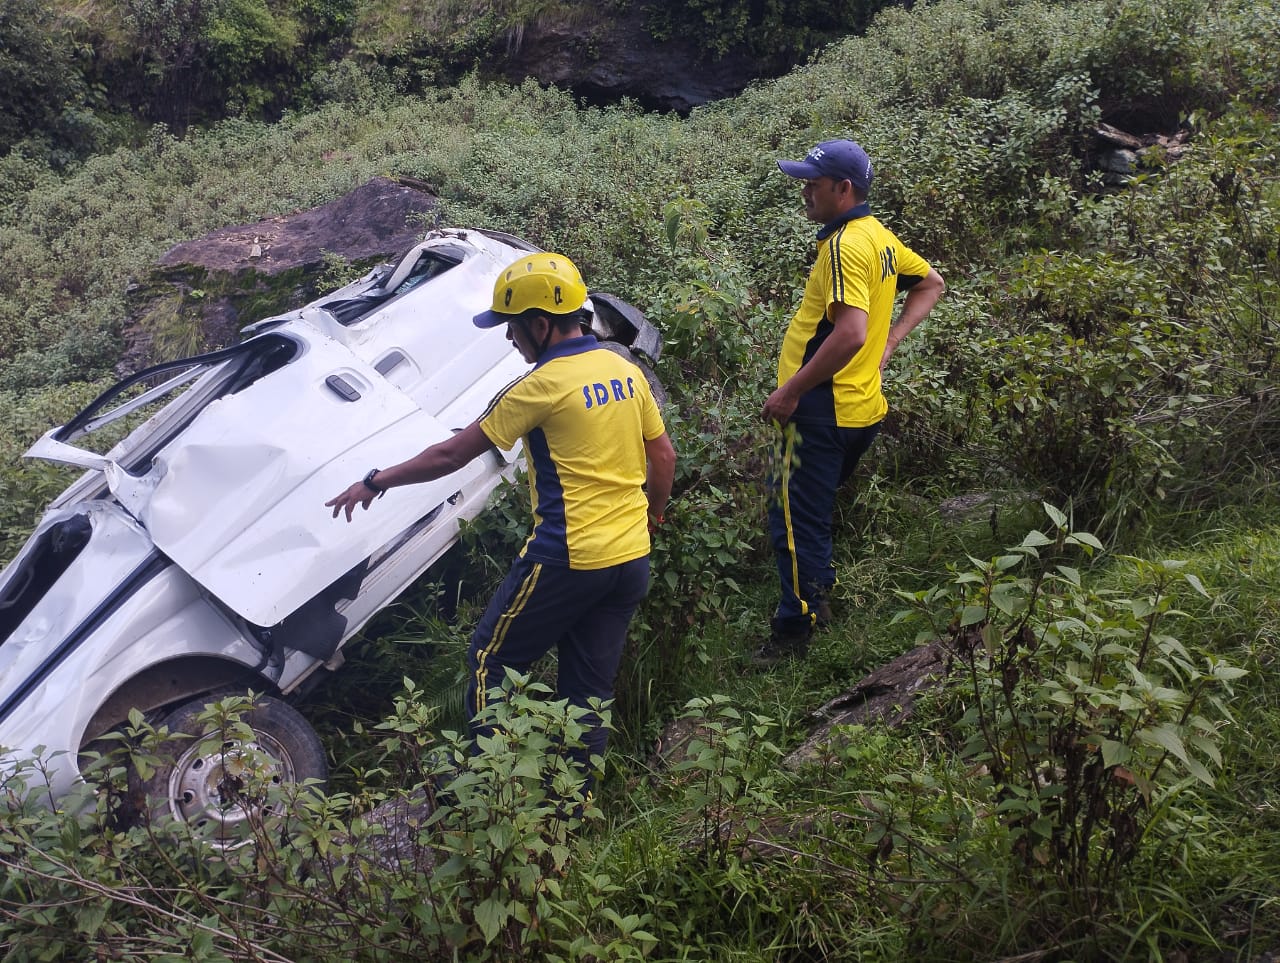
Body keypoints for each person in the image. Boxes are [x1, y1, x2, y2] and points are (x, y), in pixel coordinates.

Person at [327, 251, 676, 781]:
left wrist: (375, 481)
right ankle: (570, 805)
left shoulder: (538, 386)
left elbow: (451, 456)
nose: (510, 340)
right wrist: (654, 513)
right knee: (588, 692)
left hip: (567, 557)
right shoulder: (621, 368)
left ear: (540, 324)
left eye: (512, 328)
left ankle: (495, 788)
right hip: (630, 559)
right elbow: (664, 457)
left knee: (492, 660)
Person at [755, 139, 945, 667]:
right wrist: (894, 340)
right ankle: (817, 595)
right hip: (861, 410)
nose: (805, 193)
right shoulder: (878, 237)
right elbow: (931, 283)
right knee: (812, 514)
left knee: (792, 520)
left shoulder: (844, 246)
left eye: (813, 185)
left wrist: (789, 392)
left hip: (816, 414)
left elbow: (850, 332)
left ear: (845, 189)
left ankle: (797, 631)